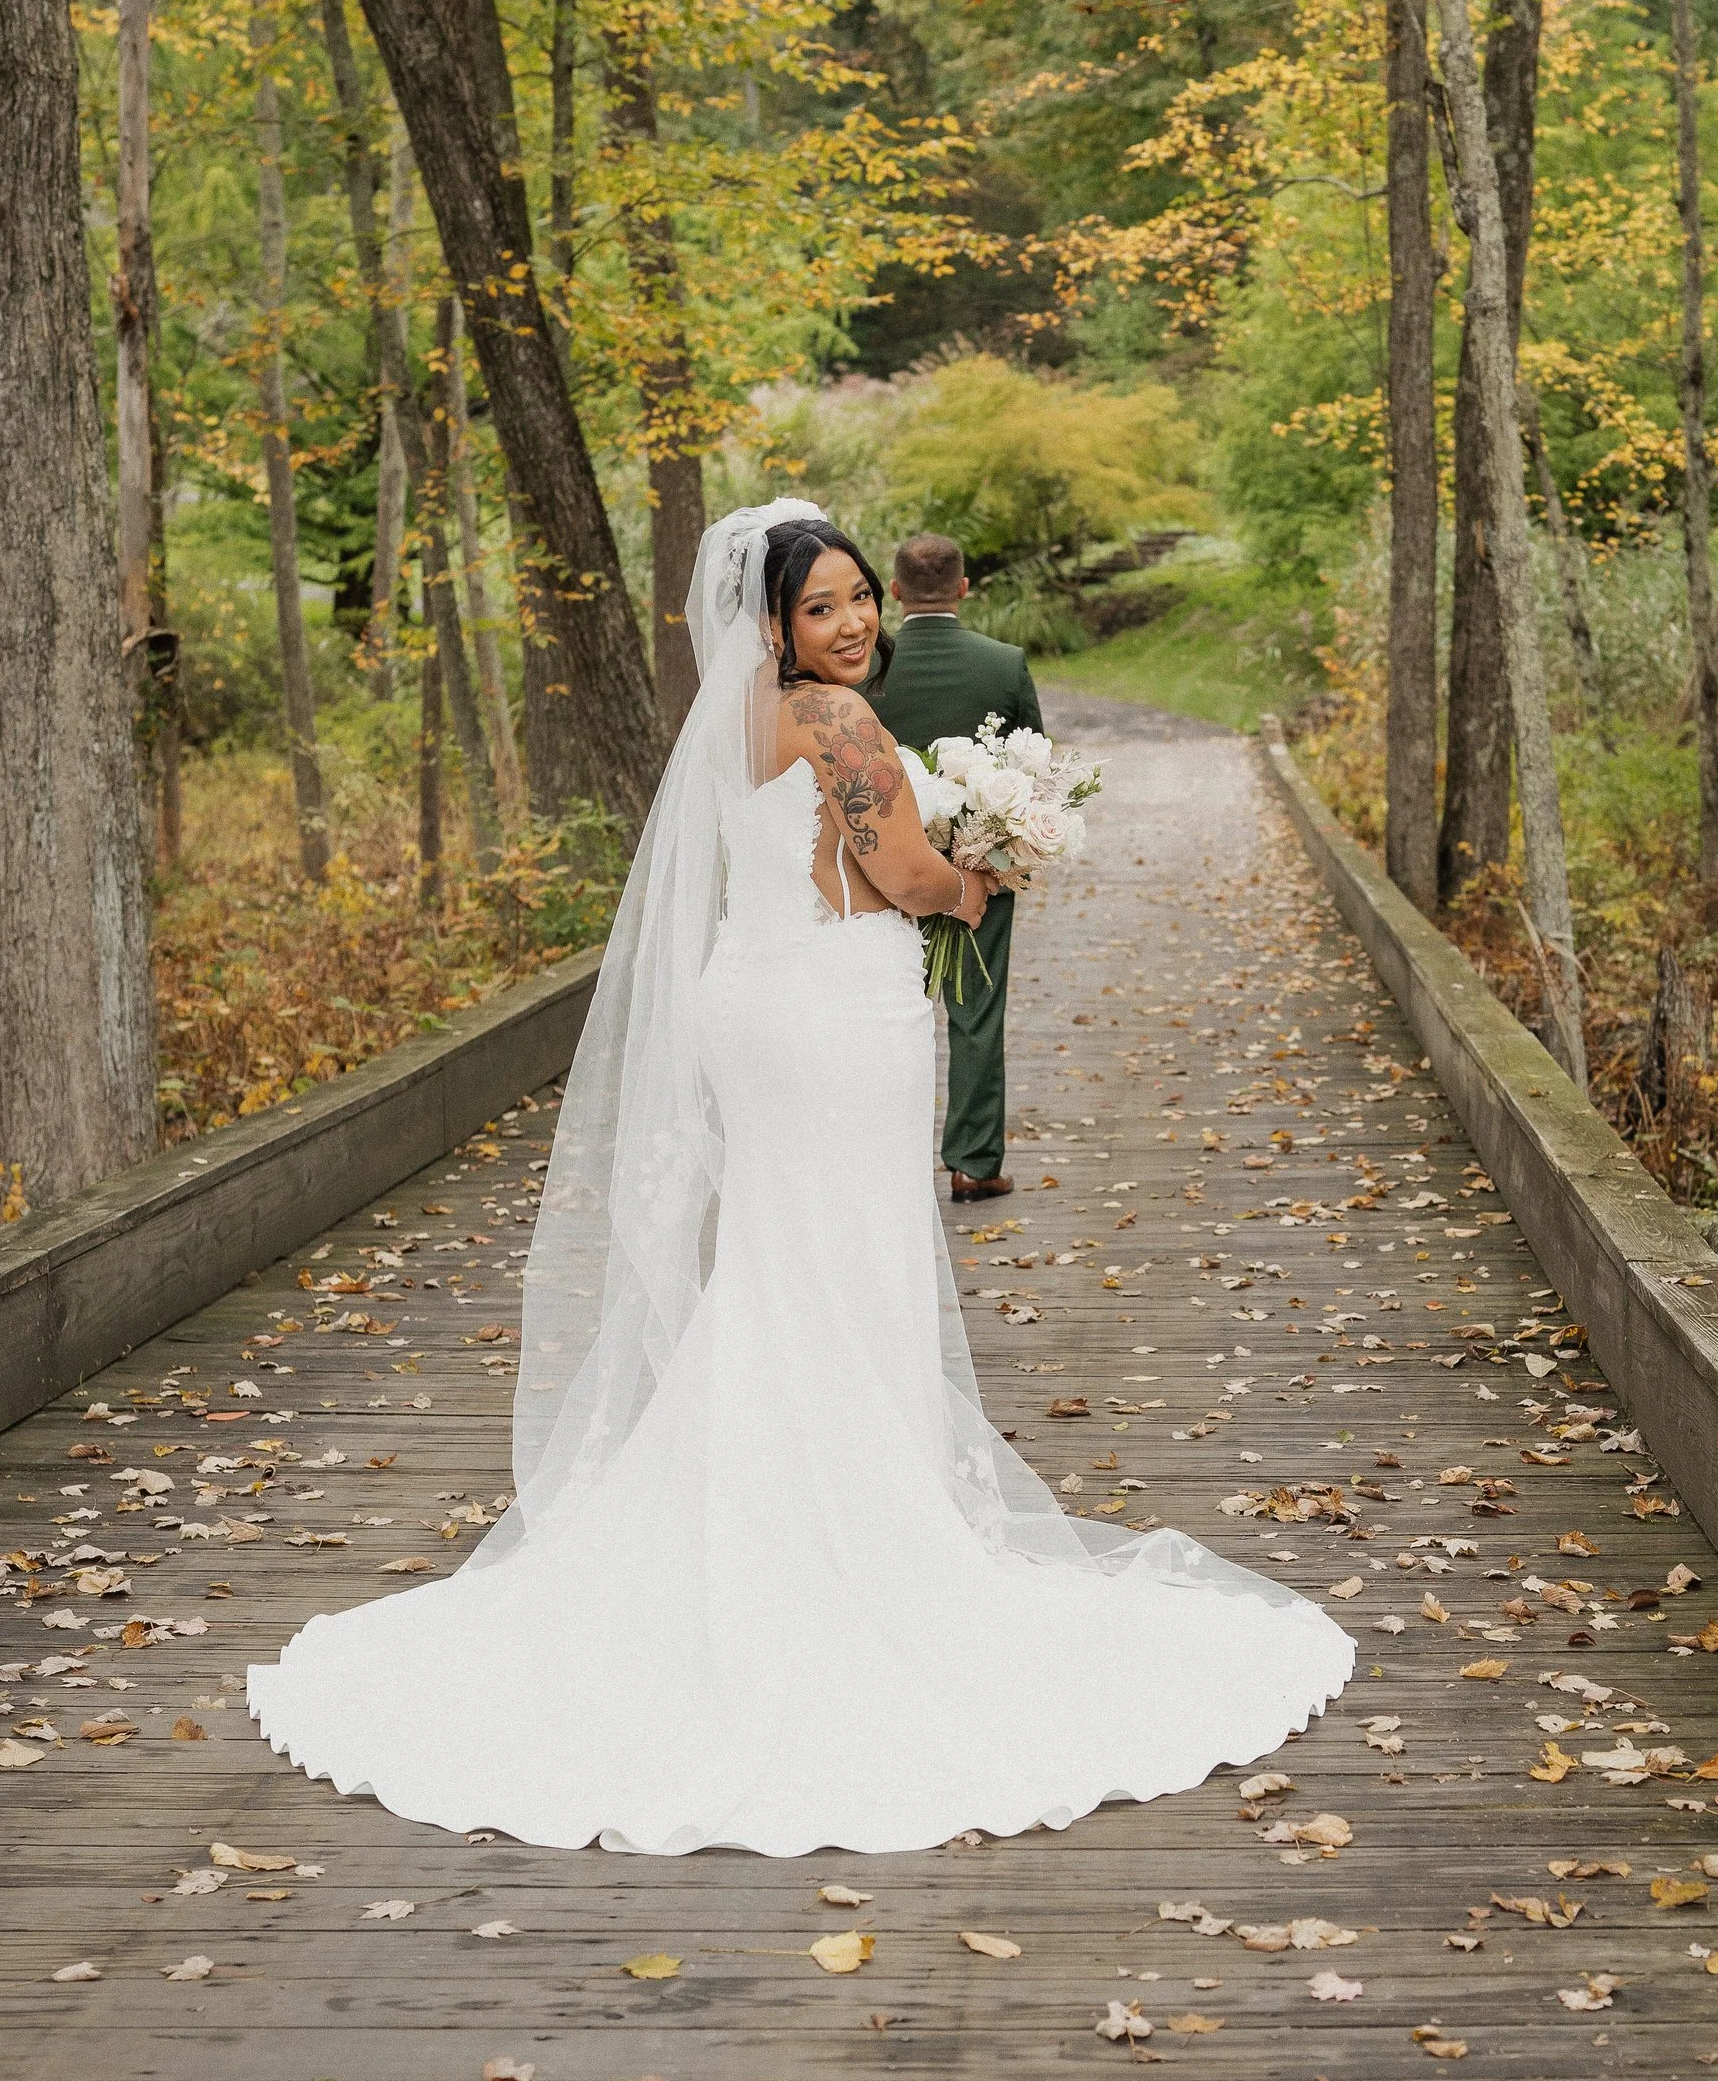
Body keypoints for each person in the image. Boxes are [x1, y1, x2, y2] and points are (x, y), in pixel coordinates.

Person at [246, 500, 1352, 1857]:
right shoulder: (836, 723)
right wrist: (980, 878)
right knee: (851, 1259)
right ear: (771, 620)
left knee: (785, 1260)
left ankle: (756, 1514)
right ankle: (854, 1541)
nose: (853, 622)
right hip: (836, 1014)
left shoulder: (734, 718)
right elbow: (893, 868)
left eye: (860, 596)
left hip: (754, 1003)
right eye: (823, 605)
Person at [865, 531, 1039, 1204]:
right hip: (979, 871)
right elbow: (1034, 767)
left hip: (879, 870)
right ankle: (973, 1162)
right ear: (964, 588)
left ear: (896, 590)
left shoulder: (864, 667)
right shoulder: (1004, 663)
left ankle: (884, 1162)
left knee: (882, 1008)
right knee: (976, 1012)